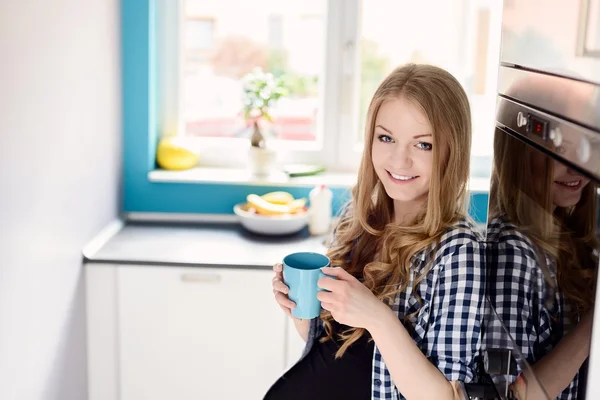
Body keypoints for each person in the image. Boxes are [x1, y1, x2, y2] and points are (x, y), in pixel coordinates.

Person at [266, 63, 486, 400]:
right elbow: (336, 356)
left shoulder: (458, 253)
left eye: (423, 145)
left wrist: (377, 317)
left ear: (450, 151)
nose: (400, 160)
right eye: (387, 138)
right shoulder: (359, 222)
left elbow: (447, 397)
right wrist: (299, 308)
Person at [485, 73, 598, 400]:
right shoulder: (510, 255)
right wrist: (595, 323)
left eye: (584, 146)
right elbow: (508, 394)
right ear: (519, 152)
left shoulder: (566, 234)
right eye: (560, 148)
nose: (577, 167)